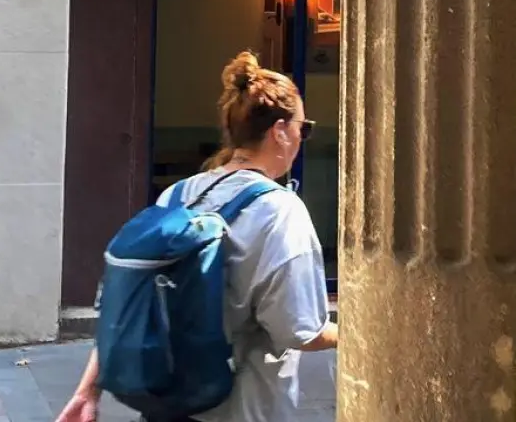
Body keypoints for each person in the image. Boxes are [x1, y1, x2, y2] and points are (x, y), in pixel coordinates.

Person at [56, 52, 338, 422]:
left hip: (165, 408)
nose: (302, 137)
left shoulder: (177, 195)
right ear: (280, 131)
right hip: (239, 410)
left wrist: (87, 391)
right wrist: (351, 328)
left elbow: (127, 305)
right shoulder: (280, 212)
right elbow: (301, 331)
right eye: (304, 127)